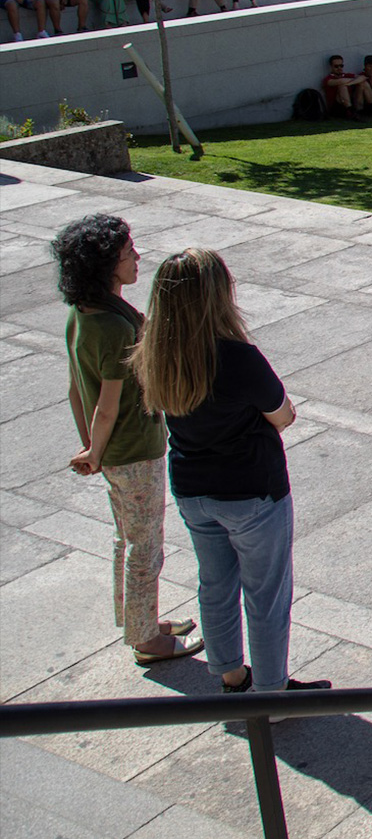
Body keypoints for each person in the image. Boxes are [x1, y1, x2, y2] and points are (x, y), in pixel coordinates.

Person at [128, 248, 328, 697]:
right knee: (267, 596)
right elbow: (283, 416)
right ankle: (273, 694)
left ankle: (231, 676)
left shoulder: (153, 354)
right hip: (252, 492)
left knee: (215, 585)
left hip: (193, 490)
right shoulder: (238, 358)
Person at [53, 215, 202, 666]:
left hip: (115, 455)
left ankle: (138, 621)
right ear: (104, 267)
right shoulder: (115, 328)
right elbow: (109, 404)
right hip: (134, 451)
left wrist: (91, 448)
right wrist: (95, 451)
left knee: (127, 539)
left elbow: (76, 389)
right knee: (145, 546)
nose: (137, 258)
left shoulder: (81, 317)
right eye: (127, 254)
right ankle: (147, 641)